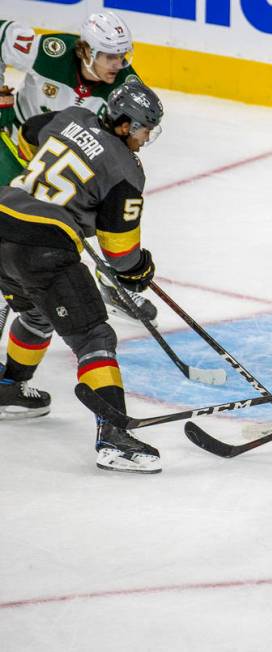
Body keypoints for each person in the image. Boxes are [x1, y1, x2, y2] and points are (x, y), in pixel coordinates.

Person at [0, 80, 163, 474]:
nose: (145, 138)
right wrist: (140, 269)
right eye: (143, 129)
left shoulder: (74, 116)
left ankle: (10, 388)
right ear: (125, 125)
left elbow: (28, 133)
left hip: (3, 216)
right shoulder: (126, 171)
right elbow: (121, 256)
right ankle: (114, 436)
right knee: (94, 337)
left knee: (39, 314)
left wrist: (53, 195)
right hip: (43, 246)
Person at [0, 12, 158, 325]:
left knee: (108, 213)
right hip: (15, 144)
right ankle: (9, 297)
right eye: (110, 56)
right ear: (85, 50)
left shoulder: (124, 91)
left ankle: (110, 281)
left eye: (123, 56)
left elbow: (120, 152)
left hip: (62, 166)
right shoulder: (49, 50)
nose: (119, 64)